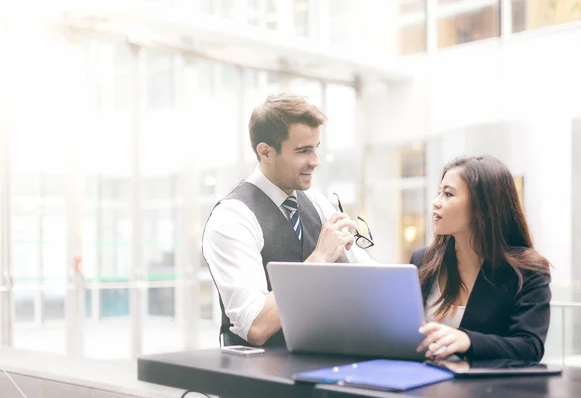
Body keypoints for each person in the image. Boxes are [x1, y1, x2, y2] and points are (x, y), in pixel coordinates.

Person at [202, 92, 372, 348]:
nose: (316, 161)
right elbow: (255, 325)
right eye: (303, 151)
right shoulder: (232, 217)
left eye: (316, 148)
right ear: (266, 152)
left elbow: (366, 273)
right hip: (261, 379)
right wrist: (319, 259)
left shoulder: (315, 200)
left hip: (323, 362)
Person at [410, 154, 551, 362]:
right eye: (439, 192)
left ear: (482, 207)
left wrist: (468, 341)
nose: (436, 203)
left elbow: (530, 347)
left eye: (448, 194)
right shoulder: (422, 260)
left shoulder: (528, 271)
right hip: (421, 386)